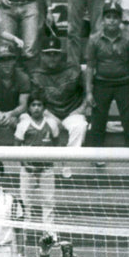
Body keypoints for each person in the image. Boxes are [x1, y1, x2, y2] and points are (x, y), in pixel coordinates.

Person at [85, 2, 129, 149]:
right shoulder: (94, 39)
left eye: (115, 17)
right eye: (108, 17)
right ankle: (95, 158)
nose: (111, 20)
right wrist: (89, 92)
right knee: (97, 123)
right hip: (101, 83)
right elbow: (90, 66)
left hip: (124, 83)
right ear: (103, 19)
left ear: (120, 20)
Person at [29, 36, 87, 177]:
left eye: (55, 53)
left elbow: (88, 93)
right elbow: (34, 101)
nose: (52, 57)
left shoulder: (74, 69)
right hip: (49, 113)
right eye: (48, 54)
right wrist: (48, 114)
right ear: (42, 55)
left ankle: (67, 162)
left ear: (61, 55)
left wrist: (80, 109)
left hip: (73, 112)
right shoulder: (36, 74)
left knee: (80, 126)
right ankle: (46, 166)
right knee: (45, 127)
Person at [14, 89, 63, 225]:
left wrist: (51, 161)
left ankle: (49, 232)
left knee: (48, 200)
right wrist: (25, 164)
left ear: (44, 107)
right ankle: (26, 230)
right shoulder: (23, 125)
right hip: (28, 169)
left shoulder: (51, 124)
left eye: (39, 105)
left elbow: (57, 144)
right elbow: (16, 147)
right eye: (33, 105)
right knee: (26, 201)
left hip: (46, 169)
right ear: (29, 107)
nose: (36, 108)